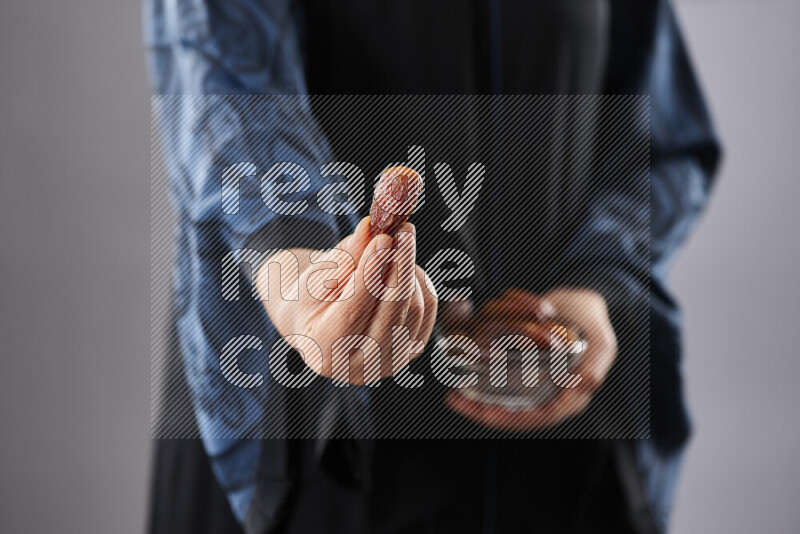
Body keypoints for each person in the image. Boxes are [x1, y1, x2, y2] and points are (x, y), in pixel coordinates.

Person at [146, 1, 720, 533]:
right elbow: (226, 85)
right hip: (316, 443)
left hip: (552, 451)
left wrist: (596, 286)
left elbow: (657, 132)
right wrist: (301, 266)